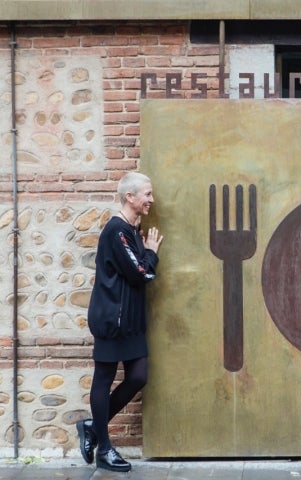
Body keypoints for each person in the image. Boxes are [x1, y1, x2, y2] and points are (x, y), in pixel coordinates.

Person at [76, 172, 163, 472]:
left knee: (138, 376)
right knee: (104, 378)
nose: (151, 199)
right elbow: (141, 273)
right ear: (130, 197)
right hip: (112, 320)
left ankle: (92, 426)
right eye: (147, 194)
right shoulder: (116, 232)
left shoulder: (129, 230)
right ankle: (105, 450)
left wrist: (142, 247)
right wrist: (150, 253)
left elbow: (134, 271)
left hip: (131, 322)